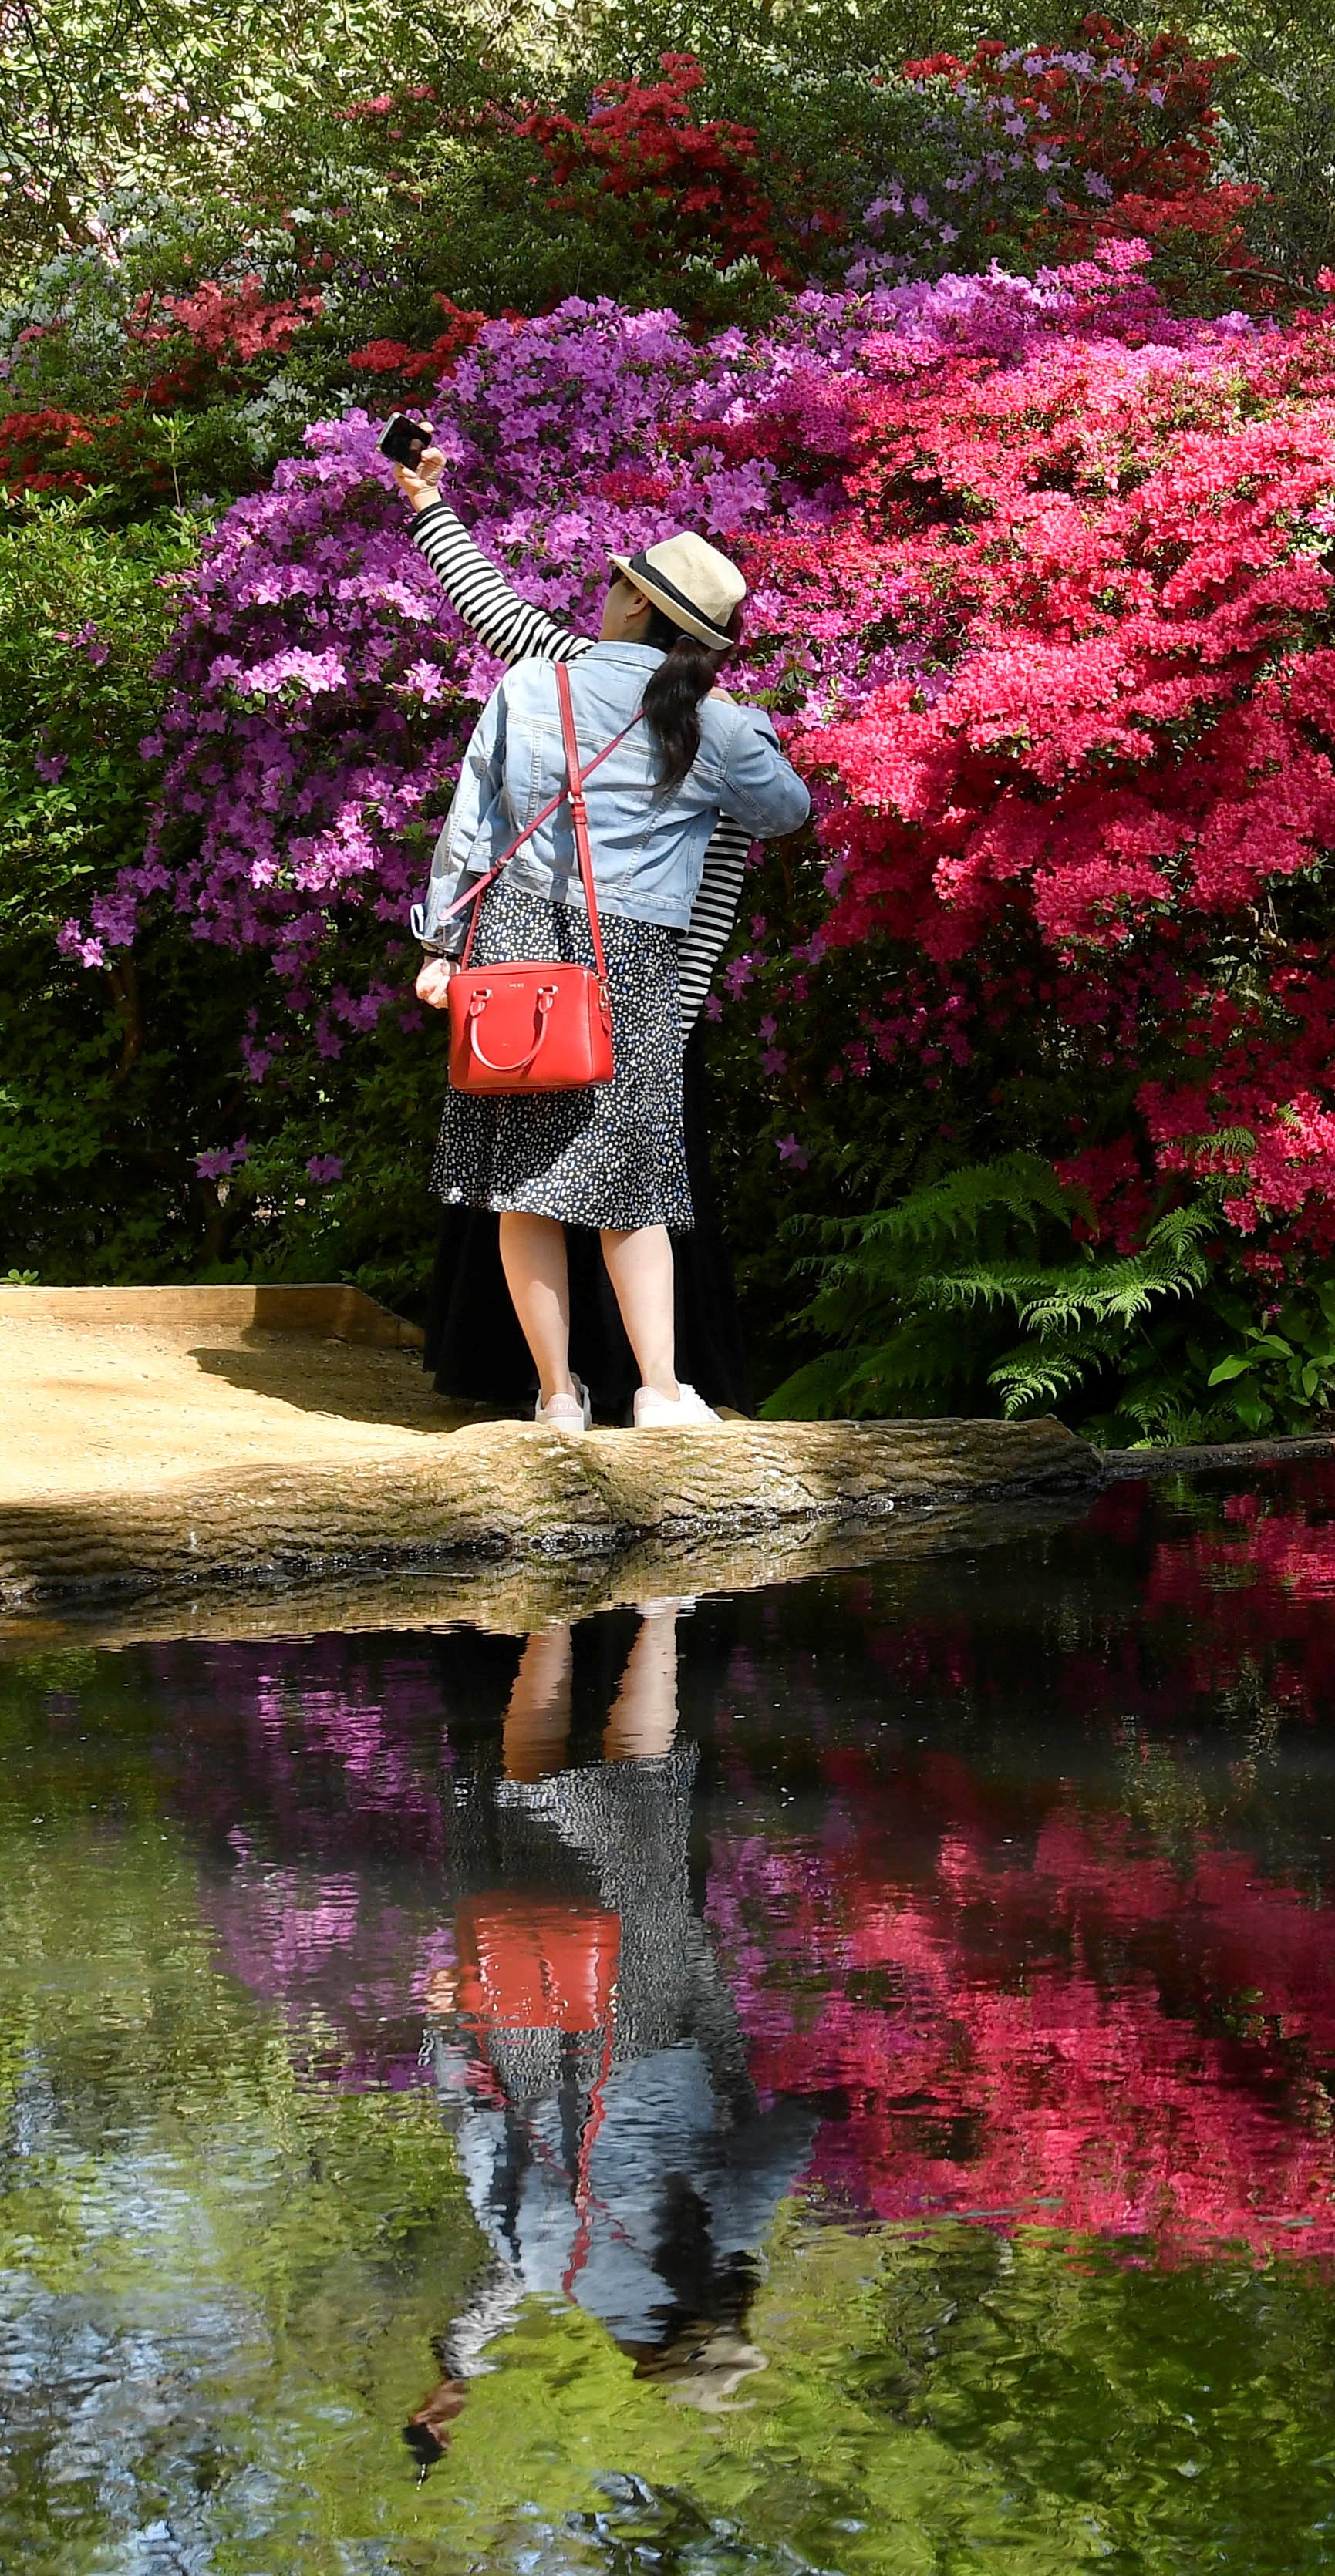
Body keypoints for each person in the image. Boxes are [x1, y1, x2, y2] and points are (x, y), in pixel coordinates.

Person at [406, 476, 812, 1432]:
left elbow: (470, 830)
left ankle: (557, 1396)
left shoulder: (530, 682)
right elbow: (788, 812)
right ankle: (662, 1392)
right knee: (635, 1180)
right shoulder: (715, 722)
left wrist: (437, 948)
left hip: (510, 944)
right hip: (629, 960)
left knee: (521, 1185)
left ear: (634, 601)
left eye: (620, 581)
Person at [404, 1603, 821, 2467]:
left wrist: (836, 2112)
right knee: (529, 1806)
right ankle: (550, 1620)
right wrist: (447, 2033)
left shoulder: (718, 2242)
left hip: (652, 2033)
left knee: (643, 1801)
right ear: (641, 2354)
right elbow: (482, 2144)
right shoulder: (555, 2269)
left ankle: (662, 1610)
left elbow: (791, 2133)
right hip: (532, 2033)